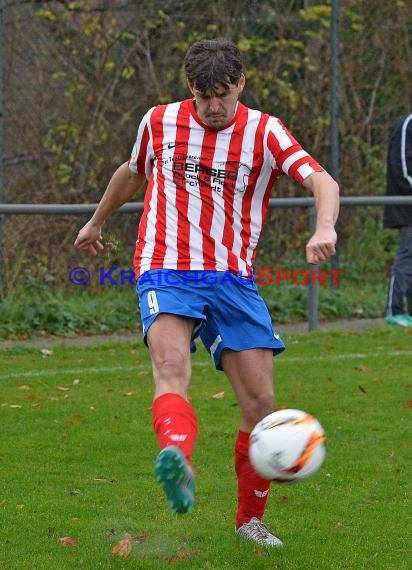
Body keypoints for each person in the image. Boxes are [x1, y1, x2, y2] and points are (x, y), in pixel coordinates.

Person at [74, 39, 339, 547]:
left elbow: (320, 180)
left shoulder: (265, 130)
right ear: (189, 87)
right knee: (172, 365)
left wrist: (323, 227)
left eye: (223, 94)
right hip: (165, 267)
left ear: (240, 83)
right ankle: (178, 458)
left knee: (261, 402)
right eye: (203, 95)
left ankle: (249, 521)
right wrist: (95, 221)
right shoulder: (158, 122)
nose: (214, 106)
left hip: (232, 277)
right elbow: (132, 173)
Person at [384, 112, 412, 328]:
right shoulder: (407, 125)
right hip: (406, 206)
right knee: (407, 257)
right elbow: (401, 168)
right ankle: (394, 310)